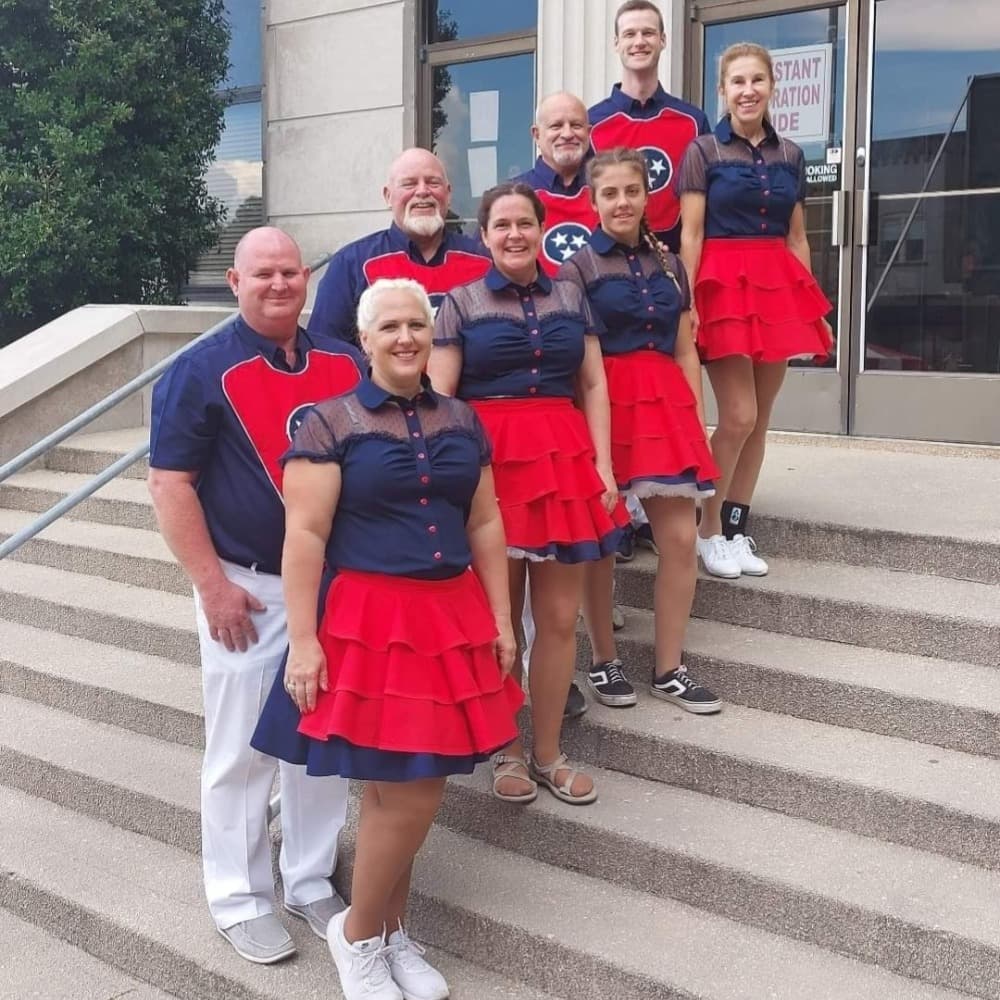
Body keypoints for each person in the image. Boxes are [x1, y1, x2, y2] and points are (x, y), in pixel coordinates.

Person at [252, 278, 521, 1000]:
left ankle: (384, 929)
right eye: (390, 327)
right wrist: (304, 642)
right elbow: (304, 537)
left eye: (417, 324)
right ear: (364, 341)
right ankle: (359, 935)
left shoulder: (463, 419)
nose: (406, 337)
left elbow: (486, 523)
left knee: (403, 788)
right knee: (408, 789)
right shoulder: (330, 423)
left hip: (452, 618)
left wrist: (501, 618)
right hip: (370, 623)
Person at [147, 227, 364, 963]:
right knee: (240, 751)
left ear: (306, 278)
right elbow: (169, 484)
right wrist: (212, 586)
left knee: (321, 742)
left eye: (288, 272)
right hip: (247, 589)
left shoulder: (345, 362)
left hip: (334, 588)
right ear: (235, 283)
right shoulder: (199, 370)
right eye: (261, 273)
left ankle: (308, 879)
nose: (278, 284)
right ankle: (237, 897)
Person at [429, 181, 627, 807]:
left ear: (543, 229)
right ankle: (505, 751)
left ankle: (548, 753)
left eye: (525, 223)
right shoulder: (460, 302)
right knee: (500, 618)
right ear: (483, 235)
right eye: (501, 225)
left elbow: (593, 383)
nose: (514, 234)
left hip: (564, 461)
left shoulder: (572, 293)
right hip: (492, 464)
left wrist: (602, 462)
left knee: (560, 620)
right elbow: (441, 401)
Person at [560, 147, 722, 714]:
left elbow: (686, 350)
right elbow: (580, 361)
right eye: (610, 193)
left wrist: (696, 422)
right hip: (604, 406)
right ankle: (604, 660)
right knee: (602, 544)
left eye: (632, 191)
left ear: (646, 196)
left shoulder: (671, 262)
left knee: (680, 541)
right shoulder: (577, 267)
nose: (622, 202)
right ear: (594, 200)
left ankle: (669, 668)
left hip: (665, 409)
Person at [678, 42, 833, 579]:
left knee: (760, 420)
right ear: (723, 90)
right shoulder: (703, 150)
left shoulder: (791, 153)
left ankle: (737, 528)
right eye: (737, 82)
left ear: (771, 87)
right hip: (722, 284)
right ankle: (708, 529)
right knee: (738, 415)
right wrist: (689, 300)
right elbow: (691, 233)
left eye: (757, 81)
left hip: (776, 286)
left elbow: (797, 237)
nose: (747, 91)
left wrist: (805, 298)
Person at [308, 147, 491, 345]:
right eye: (409, 184)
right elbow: (327, 351)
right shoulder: (350, 264)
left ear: (448, 194)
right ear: (388, 196)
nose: (422, 191)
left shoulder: (483, 260)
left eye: (433, 182)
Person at [589, 0, 711, 251]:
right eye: (629, 34)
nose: (639, 42)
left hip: (677, 260)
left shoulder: (693, 122)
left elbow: (704, 205)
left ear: (663, 40)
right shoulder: (592, 123)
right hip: (612, 266)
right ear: (616, 43)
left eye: (648, 33)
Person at [516, 91, 598, 277]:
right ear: (536, 135)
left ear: (589, 133)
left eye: (576, 125)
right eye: (556, 126)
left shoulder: (607, 192)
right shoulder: (510, 196)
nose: (567, 134)